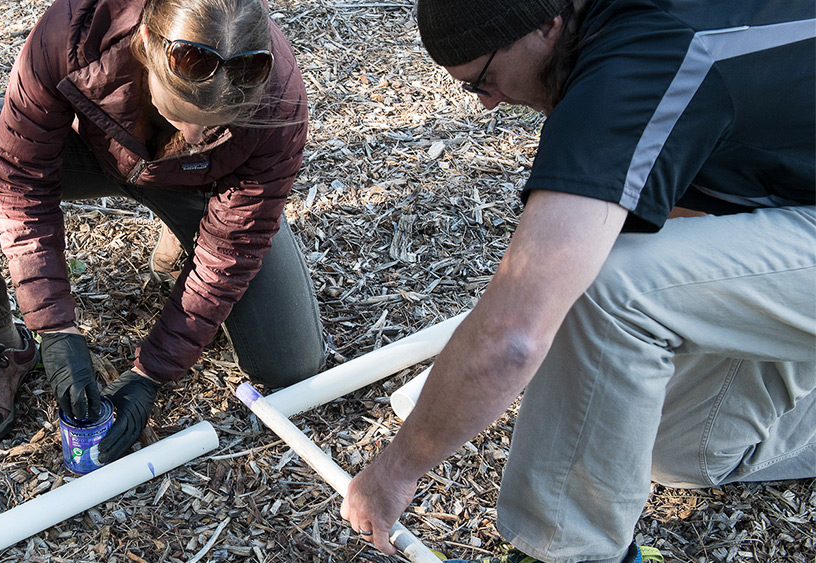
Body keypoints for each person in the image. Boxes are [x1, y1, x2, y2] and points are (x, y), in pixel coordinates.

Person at [340, 0, 816, 562]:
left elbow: (513, 339)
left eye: (484, 80)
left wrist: (394, 471)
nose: (488, 103)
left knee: (608, 291)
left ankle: (563, 553)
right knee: (686, 448)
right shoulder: (619, 33)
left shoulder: (641, 59)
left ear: (548, 22)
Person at [0, 0, 324, 464]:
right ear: (146, 53)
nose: (196, 136)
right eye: (180, 115)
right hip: (90, 144)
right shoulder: (77, 28)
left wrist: (150, 375)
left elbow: (233, 247)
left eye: (215, 126)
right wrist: (54, 326)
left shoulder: (277, 101)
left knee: (290, 364)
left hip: (202, 183)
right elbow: (21, 181)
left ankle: (182, 243)